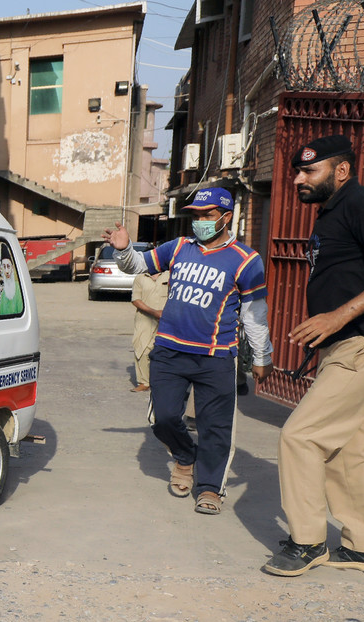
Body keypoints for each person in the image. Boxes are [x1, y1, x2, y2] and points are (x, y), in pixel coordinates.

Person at [262, 135, 364, 577]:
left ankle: (307, 542)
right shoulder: (334, 212)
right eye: (297, 171)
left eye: (309, 171)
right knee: (351, 449)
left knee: (301, 436)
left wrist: (337, 317)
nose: (298, 179)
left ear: (342, 170)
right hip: (349, 346)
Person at [102, 187, 273, 515]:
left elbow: (255, 314)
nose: (200, 221)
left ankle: (209, 487)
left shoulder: (247, 260)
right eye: (196, 215)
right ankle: (184, 456)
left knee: (215, 426)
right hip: (168, 350)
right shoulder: (179, 247)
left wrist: (261, 356)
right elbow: (138, 264)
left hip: (216, 356)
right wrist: (123, 250)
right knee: (163, 418)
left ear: (226, 217)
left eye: (207, 215)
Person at [130, 270, 170, 392]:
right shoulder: (140, 277)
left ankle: (168, 384)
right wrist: (154, 312)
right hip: (145, 318)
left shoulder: (170, 274)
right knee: (141, 348)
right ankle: (144, 382)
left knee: (166, 351)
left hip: (167, 318)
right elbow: (135, 300)